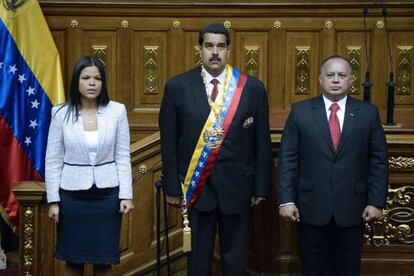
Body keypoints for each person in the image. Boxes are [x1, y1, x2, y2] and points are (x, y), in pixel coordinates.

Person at [159, 23, 272, 275]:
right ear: (199, 49)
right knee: (198, 261)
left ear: (229, 50)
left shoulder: (252, 88)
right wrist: (171, 187)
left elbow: (261, 142)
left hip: (238, 188)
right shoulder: (177, 87)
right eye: (209, 46)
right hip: (196, 189)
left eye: (221, 46)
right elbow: (168, 142)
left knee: (236, 259)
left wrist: (261, 186)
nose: (215, 52)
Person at [277, 55, 388, 276]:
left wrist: (376, 202)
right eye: (330, 75)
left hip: (353, 208)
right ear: (320, 79)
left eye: (342, 75)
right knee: (312, 268)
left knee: (347, 268)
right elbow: (288, 158)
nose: (336, 80)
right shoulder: (300, 112)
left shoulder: (367, 113)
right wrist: (286, 200)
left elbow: (378, 160)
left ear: (351, 80)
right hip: (310, 208)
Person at [45, 56, 134, 276]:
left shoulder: (117, 111)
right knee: (73, 261)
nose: (92, 83)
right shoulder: (60, 113)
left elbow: (123, 155)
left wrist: (126, 195)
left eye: (97, 78)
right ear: (77, 81)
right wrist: (54, 201)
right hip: (72, 198)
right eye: (86, 78)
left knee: (103, 262)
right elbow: (53, 159)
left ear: (103, 83)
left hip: (107, 197)